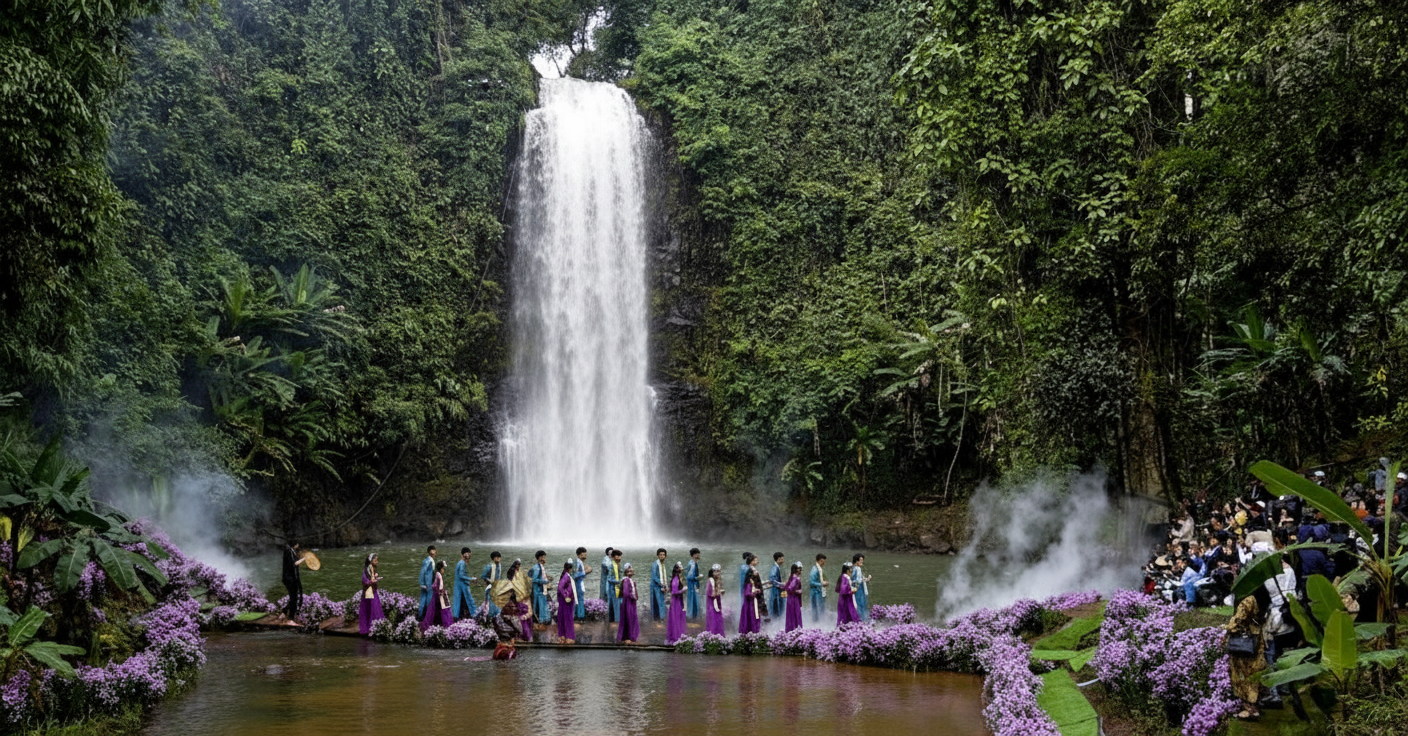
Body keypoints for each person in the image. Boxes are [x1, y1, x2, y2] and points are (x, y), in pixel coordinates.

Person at [1225, 592, 1267, 719]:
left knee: (1244, 674)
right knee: (1253, 673)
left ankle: (1250, 709)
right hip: (1254, 638)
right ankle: (1253, 706)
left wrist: (1227, 627)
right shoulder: (1256, 599)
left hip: (1245, 642)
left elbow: (1239, 620)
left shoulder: (1247, 600)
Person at [421, 560, 453, 631]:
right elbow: (440, 586)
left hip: (436, 594)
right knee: (445, 610)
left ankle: (437, 623)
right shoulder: (439, 575)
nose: (443, 571)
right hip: (440, 594)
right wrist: (442, 592)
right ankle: (446, 625)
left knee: (435, 610)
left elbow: (434, 585)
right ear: (441, 569)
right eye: (443, 569)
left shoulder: (436, 574)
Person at [493, 591, 524, 661]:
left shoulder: (515, 619)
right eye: (511, 607)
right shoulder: (499, 619)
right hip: (505, 647)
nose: (514, 609)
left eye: (513, 607)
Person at [358, 553, 384, 635]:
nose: (377, 562)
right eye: (375, 560)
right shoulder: (367, 569)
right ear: (371, 561)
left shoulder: (372, 568)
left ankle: (373, 624)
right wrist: (372, 581)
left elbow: (371, 578)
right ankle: (371, 624)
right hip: (369, 591)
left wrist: (375, 578)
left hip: (372, 590)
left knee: (373, 606)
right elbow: (364, 580)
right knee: (371, 606)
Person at [281, 540, 306, 622]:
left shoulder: (290, 550)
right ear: (296, 544)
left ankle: (285, 611)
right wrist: (304, 559)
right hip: (289, 578)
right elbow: (294, 564)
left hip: (290, 578)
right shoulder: (289, 551)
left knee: (293, 597)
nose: (298, 547)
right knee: (293, 598)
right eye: (298, 545)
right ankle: (291, 618)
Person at [666, 562, 688, 644]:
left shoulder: (678, 578)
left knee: (678, 617)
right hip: (676, 602)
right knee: (676, 617)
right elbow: (674, 592)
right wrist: (683, 590)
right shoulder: (675, 579)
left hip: (678, 600)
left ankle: (679, 635)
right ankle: (676, 636)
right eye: (680, 567)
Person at [618, 563, 640, 644]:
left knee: (630, 617)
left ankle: (629, 635)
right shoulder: (626, 580)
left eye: (631, 571)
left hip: (630, 602)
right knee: (629, 617)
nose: (630, 572)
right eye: (628, 571)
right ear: (625, 572)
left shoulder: (630, 580)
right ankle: (629, 636)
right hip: (628, 602)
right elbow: (626, 593)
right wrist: (633, 597)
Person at [452, 548, 476, 621]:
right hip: (461, 587)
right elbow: (461, 575)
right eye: (469, 554)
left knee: (461, 603)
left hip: (459, 586)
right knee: (465, 603)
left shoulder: (460, 562)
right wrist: (471, 579)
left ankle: (461, 618)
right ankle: (467, 618)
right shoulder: (462, 563)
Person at [739, 568, 764, 634]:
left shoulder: (752, 582)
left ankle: (755, 631)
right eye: (755, 571)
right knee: (751, 617)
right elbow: (747, 594)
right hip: (749, 604)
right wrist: (755, 592)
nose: (757, 571)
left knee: (754, 616)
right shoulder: (748, 584)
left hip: (753, 603)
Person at [557, 561, 576, 643]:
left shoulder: (566, 576)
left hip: (567, 600)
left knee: (563, 617)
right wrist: (566, 596)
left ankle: (563, 636)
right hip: (567, 601)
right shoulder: (566, 577)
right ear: (570, 569)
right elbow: (560, 587)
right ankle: (569, 637)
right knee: (568, 618)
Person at [530, 551, 552, 625]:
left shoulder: (541, 566)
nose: (543, 559)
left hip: (542, 589)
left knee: (543, 604)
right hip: (538, 590)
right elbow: (534, 579)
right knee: (539, 605)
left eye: (544, 557)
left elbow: (529, 574)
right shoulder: (536, 568)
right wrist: (544, 581)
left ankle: (544, 619)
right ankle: (540, 620)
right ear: (538, 558)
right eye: (542, 557)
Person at [480, 551, 503, 618]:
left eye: (499, 558)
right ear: (493, 559)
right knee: (491, 600)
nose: (498, 559)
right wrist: (490, 581)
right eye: (496, 558)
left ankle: (498, 613)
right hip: (490, 586)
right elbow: (483, 576)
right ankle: (491, 615)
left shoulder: (499, 565)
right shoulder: (489, 566)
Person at [705, 564, 726, 635]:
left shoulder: (718, 580)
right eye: (716, 572)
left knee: (718, 616)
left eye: (719, 571)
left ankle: (719, 633)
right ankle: (713, 633)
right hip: (712, 602)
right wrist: (719, 592)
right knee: (714, 617)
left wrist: (721, 591)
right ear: (712, 572)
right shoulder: (711, 580)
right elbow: (712, 594)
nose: (718, 573)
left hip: (717, 601)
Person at [418, 545, 438, 618]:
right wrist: (422, 583)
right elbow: (423, 572)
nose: (433, 552)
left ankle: (422, 614)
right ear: (429, 552)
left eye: (434, 551)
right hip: (427, 583)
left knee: (425, 598)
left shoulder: (429, 560)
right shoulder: (428, 561)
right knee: (427, 598)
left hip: (428, 582)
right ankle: (425, 615)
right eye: (432, 551)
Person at [784, 561, 804, 632]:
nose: (801, 571)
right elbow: (789, 589)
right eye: (800, 569)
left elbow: (786, 587)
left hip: (790, 599)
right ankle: (796, 630)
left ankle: (790, 629)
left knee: (791, 615)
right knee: (795, 614)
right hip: (794, 599)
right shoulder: (796, 578)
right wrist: (798, 591)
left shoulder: (792, 577)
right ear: (797, 570)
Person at [650, 548, 669, 621]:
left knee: (661, 601)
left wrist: (666, 585)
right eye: (660, 555)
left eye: (663, 555)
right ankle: (657, 619)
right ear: (657, 556)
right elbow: (654, 577)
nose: (662, 556)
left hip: (660, 586)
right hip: (655, 587)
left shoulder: (662, 564)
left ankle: (661, 618)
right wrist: (662, 585)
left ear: (666, 556)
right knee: (657, 602)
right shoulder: (655, 564)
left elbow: (664, 576)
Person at [573, 547, 591, 621]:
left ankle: (578, 614)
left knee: (579, 599)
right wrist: (584, 572)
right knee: (579, 599)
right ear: (578, 555)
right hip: (578, 584)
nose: (585, 556)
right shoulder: (577, 563)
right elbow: (575, 574)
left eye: (585, 555)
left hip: (580, 583)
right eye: (583, 555)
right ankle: (580, 616)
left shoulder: (580, 563)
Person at [851, 554, 871, 622]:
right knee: (862, 605)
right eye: (861, 561)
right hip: (859, 589)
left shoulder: (852, 568)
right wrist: (865, 579)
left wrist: (866, 579)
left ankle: (859, 620)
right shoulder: (858, 568)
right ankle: (863, 621)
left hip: (855, 588)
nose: (862, 562)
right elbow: (858, 580)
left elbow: (853, 579)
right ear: (856, 562)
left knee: (858, 604)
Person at [606, 549, 624, 623]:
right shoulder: (611, 565)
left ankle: (614, 619)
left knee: (616, 604)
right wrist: (619, 582)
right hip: (613, 588)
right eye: (617, 556)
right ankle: (616, 620)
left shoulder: (618, 565)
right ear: (613, 557)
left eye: (620, 556)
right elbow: (610, 578)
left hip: (617, 587)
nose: (619, 558)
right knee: (615, 604)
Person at [809, 554, 828, 622]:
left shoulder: (819, 569)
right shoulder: (814, 570)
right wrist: (822, 584)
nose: (823, 563)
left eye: (824, 562)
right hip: (815, 592)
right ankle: (816, 622)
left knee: (820, 607)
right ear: (818, 561)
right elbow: (811, 582)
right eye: (821, 561)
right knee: (816, 608)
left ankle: (820, 621)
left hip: (819, 591)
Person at [768, 552, 786, 619]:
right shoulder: (775, 568)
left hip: (777, 591)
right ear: (778, 559)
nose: (783, 560)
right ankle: (776, 621)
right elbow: (772, 580)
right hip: (775, 592)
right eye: (782, 559)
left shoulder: (777, 567)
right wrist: (782, 584)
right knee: (776, 607)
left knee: (778, 606)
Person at [685, 548, 702, 620]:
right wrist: (697, 578)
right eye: (697, 554)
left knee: (694, 600)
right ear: (694, 555)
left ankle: (693, 615)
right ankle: (690, 615)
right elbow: (689, 576)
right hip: (692, 585)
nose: (699, 556)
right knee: (692, 600)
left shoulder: (693, 563)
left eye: (699, 554)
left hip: (693, 584)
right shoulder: (692, 564)